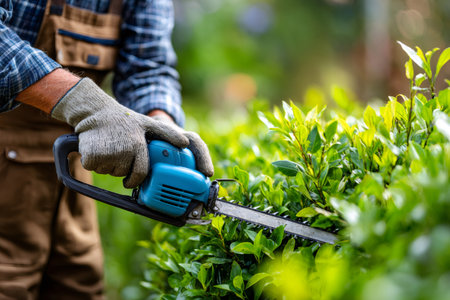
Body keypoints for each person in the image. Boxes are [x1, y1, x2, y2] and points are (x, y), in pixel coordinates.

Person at [0, 0, 213, 299]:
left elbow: (147, 67)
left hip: (71, 183)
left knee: (80, 289)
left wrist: (161, 129)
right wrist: (85, 105)